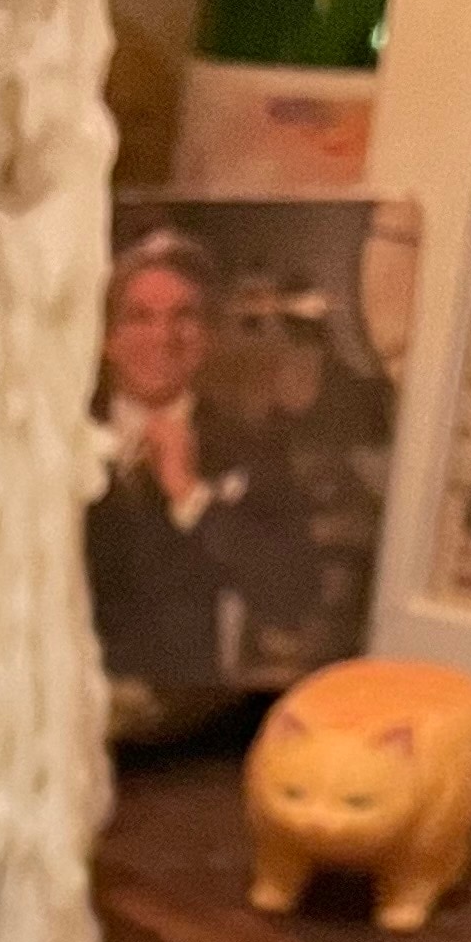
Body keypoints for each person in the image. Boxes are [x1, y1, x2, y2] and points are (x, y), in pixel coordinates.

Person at [85, 231, 319, 695]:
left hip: (188, 723)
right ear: (108, 339)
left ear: (207, 336)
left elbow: (292, 594)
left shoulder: (252, 448)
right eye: (139, 317)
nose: (163, 336)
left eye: (183, 316)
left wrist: (192, 497)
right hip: (67, 706)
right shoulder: (56, 442)